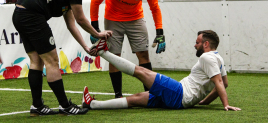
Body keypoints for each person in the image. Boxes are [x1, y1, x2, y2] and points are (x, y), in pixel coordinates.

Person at [12, 0, 112, 116]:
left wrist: (85, 46)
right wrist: (97, 34)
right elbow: (81, 20)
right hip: (31, 15)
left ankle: (37, 106)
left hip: (19, 15)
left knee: (36, 61)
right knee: (52, 61)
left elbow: (72, 25)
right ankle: (65, 106)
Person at [83, 30, 241, 111]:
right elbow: (225, 83)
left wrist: (225, 104)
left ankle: (103, 51)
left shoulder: (207, 58)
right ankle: (93, 105)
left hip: (179, 93)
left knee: (141, 71)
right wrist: (205, 101)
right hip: (181, 99)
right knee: (137, 98)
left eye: (197, 42)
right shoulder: (218, 58)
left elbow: (219, 82)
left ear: (206, 44)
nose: (195, 45)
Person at [90, 0, 165, 98]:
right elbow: (95, 1)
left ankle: (150, 94)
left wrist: (160, 33)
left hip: (136, 19)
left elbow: (155, 7)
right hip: (113, 19)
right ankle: (118, 95)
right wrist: (94, 28)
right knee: (114, 56)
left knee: (143, 54)